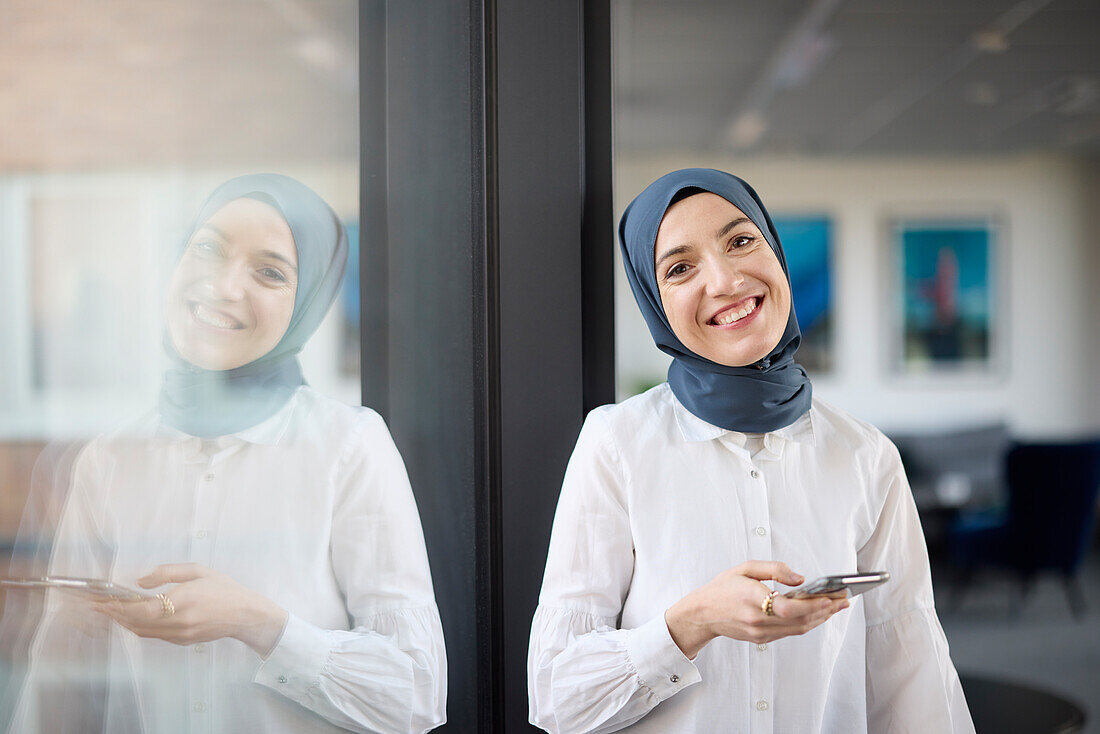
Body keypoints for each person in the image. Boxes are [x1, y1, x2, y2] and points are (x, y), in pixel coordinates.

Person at [528, 168, 973, 733]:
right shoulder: (616, 445)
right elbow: (558, 699)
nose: (725, 280)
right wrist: (691, 623)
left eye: (740, 241)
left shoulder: (866, 456)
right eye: (681, 267)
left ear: (776, 253)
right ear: (654, 301)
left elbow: (911, 679)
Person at [8, 174, 446, 734]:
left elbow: (415, 697)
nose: (223, 286)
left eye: (270, 271)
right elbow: (60, 688)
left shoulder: (348, 446)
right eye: (209, 248)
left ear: (307, 301)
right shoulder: (111, 460)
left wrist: (254, 621)